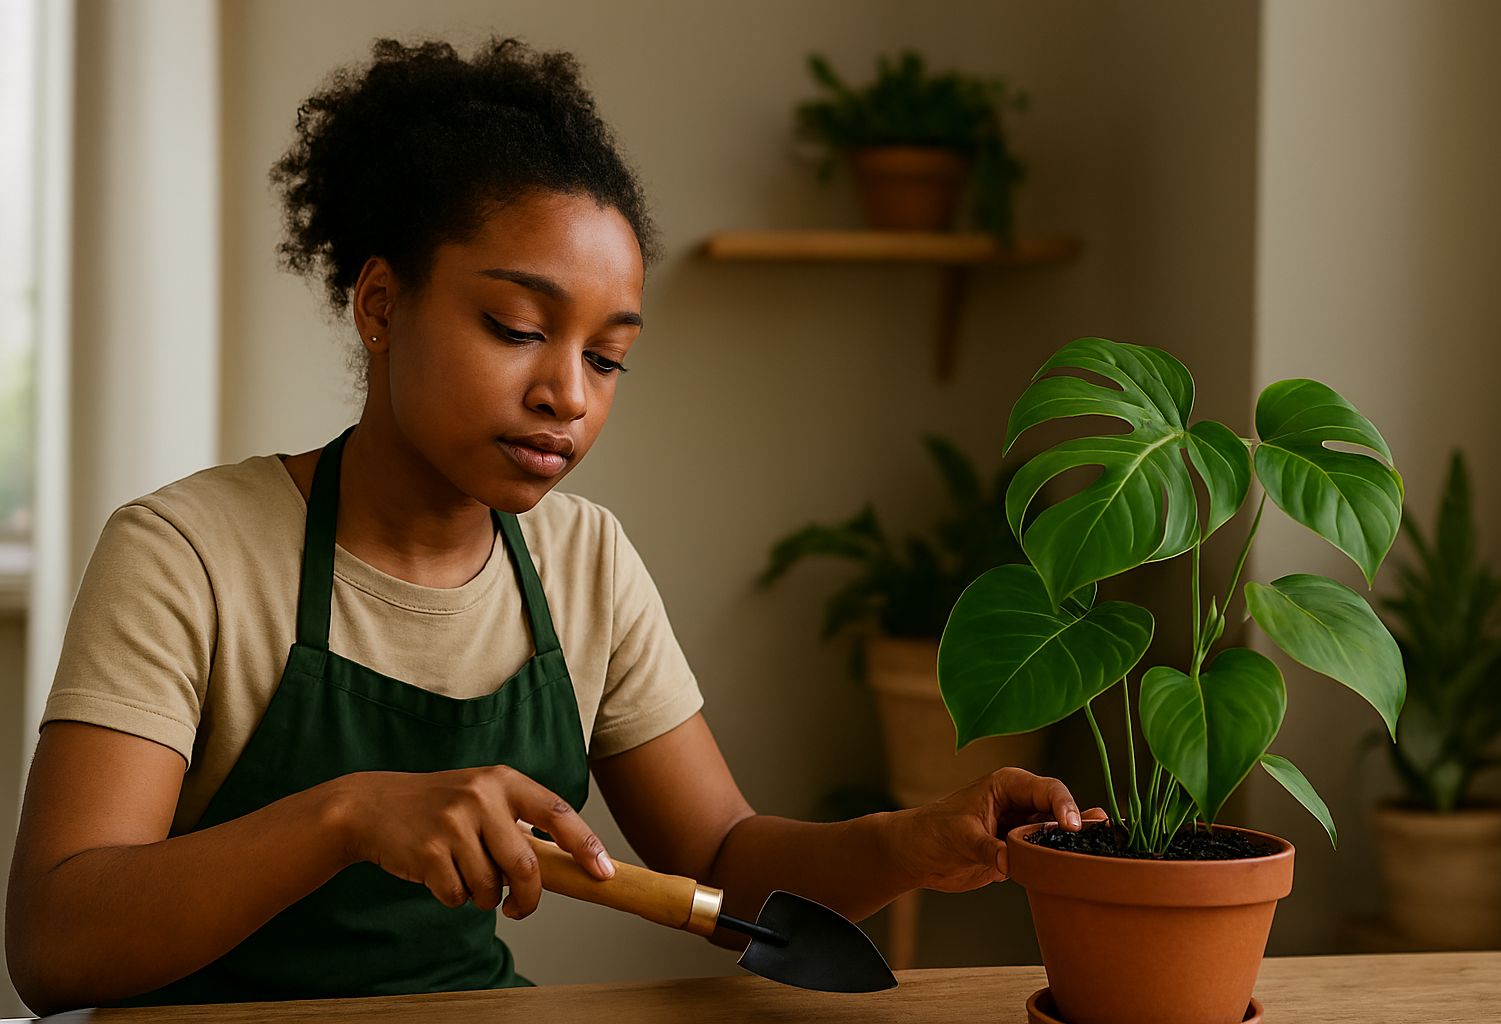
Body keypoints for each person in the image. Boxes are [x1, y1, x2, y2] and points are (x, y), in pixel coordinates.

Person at [4, 37, 1092, 1014]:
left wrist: (916, 839)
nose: (569, 393)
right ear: (381, 306)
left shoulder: (585, 563)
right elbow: (54, 944)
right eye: (518, 326)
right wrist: (343, 817)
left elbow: (718, 856)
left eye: (608, 355)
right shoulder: (187, 552)